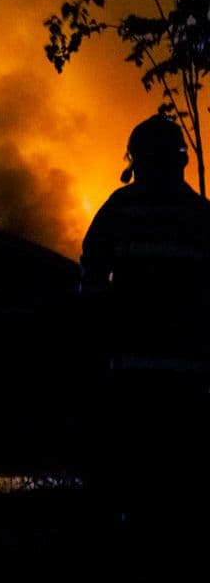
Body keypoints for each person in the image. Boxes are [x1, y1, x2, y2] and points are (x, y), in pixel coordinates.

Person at [78, 114, 210, 522]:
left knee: (131, 477)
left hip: (130, 371)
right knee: (181, 480)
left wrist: (100, 330)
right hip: (187, 373)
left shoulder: (121, 209)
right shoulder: (200, 215)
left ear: (136, 161)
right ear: (181, 161)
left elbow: (92, 272)